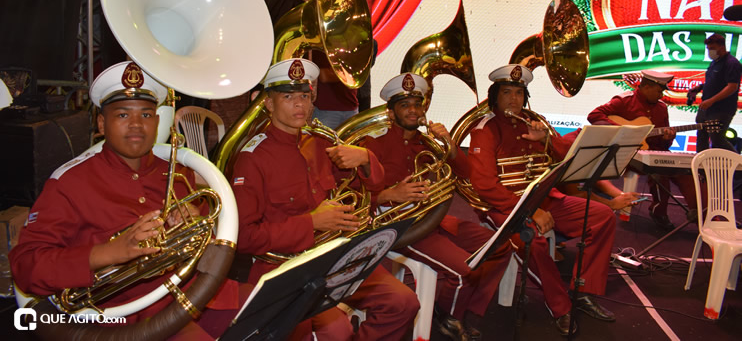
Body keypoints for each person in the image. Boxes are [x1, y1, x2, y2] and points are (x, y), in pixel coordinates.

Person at [10, 61, 242, 338]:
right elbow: (26, 267)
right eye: (122, 115)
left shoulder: (175, 171)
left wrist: (196, 218)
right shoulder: (69, 183)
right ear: (101, 124)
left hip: (189, 294)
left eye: (146, 115)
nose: (136, 125)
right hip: (124, 319)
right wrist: (111, 251)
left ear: (157, 121)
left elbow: (208, 236)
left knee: (274, 307)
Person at [231, 58, 419, 341]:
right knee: (337, 330)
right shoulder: (251, 157)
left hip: (333, 254)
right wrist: (312, 222)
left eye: (305, 96)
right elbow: (244, 237)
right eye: (288, 96)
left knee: (404, 302)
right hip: (285, 267)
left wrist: (367, 159)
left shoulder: (320, 142)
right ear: (268, 103)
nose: (300, 105)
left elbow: (366, 189)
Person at [361, 73, 514, 341]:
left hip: (434, 222)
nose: (413, 111)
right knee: (464, 271)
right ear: (390, 111)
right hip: (401, 227)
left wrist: (451, 145)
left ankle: (464, 309)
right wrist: (388, 194)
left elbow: (467, 174)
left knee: (499, 246)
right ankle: (449, 317)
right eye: (405, 105)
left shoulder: (427, 141)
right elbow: (356, 194)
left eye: (417, 104)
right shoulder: (373, 143)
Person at [467, 64, 617, 336]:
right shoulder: (483, 129)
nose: (514, 99)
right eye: (506, 93)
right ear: (495, 97)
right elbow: (485, 185)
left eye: (519, 93)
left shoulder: (537, 122)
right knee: (532, 240)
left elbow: (566, 161)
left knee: (602, 216)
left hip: (545, 199)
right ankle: (560, 307)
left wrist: (546, 139)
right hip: (504, 206)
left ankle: (582, 290)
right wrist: (527, 212)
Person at [587, 70, 704, 229]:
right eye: (659, 90)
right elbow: (594, 115)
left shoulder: (662, 108)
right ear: (647, 87)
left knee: (686, 171)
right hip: (627, 153)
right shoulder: (624, 100)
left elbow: (662, 146)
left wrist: (667, 138)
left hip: (653, 153)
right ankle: (659, 212)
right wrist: (625, 132)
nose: (661, 95)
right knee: (658, 171)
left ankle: (701, 214)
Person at [687, 33, 742, 153]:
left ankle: (738, 164)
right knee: (701, 136)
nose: (709, 51)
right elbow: (715, 82)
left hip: (721, 109)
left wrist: (711, 100)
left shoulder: (732, 63)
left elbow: (732, 87)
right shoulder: (714, 63)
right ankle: (701, 166)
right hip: (706, 109)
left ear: (721, 47)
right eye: (708, 49)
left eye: (712, 48)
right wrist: (699, 87)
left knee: (717, 139)